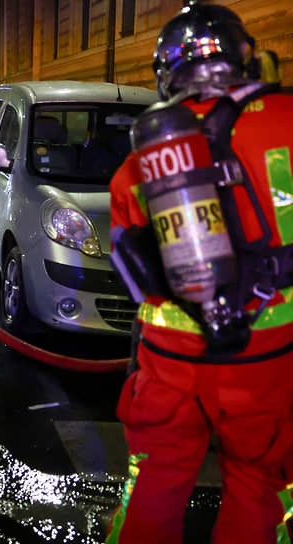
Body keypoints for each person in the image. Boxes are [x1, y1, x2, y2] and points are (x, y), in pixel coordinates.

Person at [106, 4, 293, 544]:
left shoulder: (143, 158)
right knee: (260, 484)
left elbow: (131, 260)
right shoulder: (286, 120)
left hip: (170, 359)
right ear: (244, 56)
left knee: (155, 480)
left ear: (167, 73)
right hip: (265, 355)